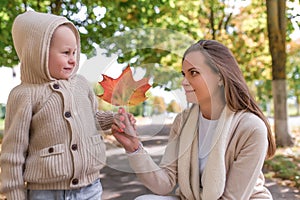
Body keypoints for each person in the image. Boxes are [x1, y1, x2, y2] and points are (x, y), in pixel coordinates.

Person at [112, 39, 276, 200]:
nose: (184, 82)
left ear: (220, 77)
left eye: (194, 73)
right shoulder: (182, 122)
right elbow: (165, 183)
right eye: (184, 74)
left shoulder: (251, 128)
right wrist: (134, 148)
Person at [0, 11, 114, 200]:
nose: (73, 59)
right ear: (39, 53)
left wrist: (112, 119)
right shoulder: (25, 95)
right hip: (46, 193)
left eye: (75, 52)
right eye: (65, 53)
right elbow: (13, 153)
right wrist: (14, 194)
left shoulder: (81, 84)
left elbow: (92, 119)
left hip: (91, 187)